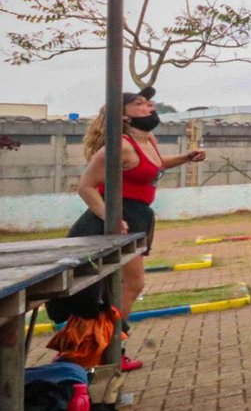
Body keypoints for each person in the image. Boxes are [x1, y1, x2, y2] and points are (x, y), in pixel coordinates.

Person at [69, 87, 206, 371]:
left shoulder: (148, 140)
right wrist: (111, 218)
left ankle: (102, 351)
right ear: (123, 115)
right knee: (129, 285)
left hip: (138, 216)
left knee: (117, 288)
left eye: (149, 102)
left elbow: (153, 166)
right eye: (140, 104)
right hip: (113, 220)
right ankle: (105, 351)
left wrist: (185, 157)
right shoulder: (118, 145)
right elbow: (86, 187)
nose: (149, 106)